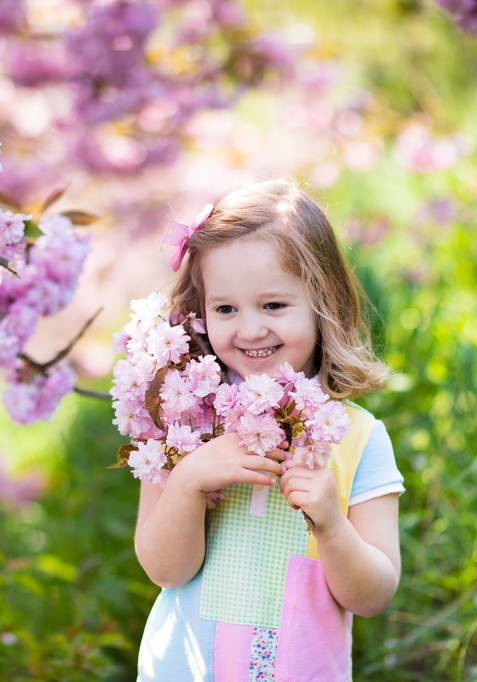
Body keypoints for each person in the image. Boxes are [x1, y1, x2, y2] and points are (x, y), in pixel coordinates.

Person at [134, 178, 404, 681]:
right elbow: (165, 570)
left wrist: (331, 524)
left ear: (322, 303)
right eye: (226, 309)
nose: (251, 329)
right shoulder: (185, 422)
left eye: (274, 305)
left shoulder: (357, 438)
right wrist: (188, 481)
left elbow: (374, 596)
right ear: (202, 311)